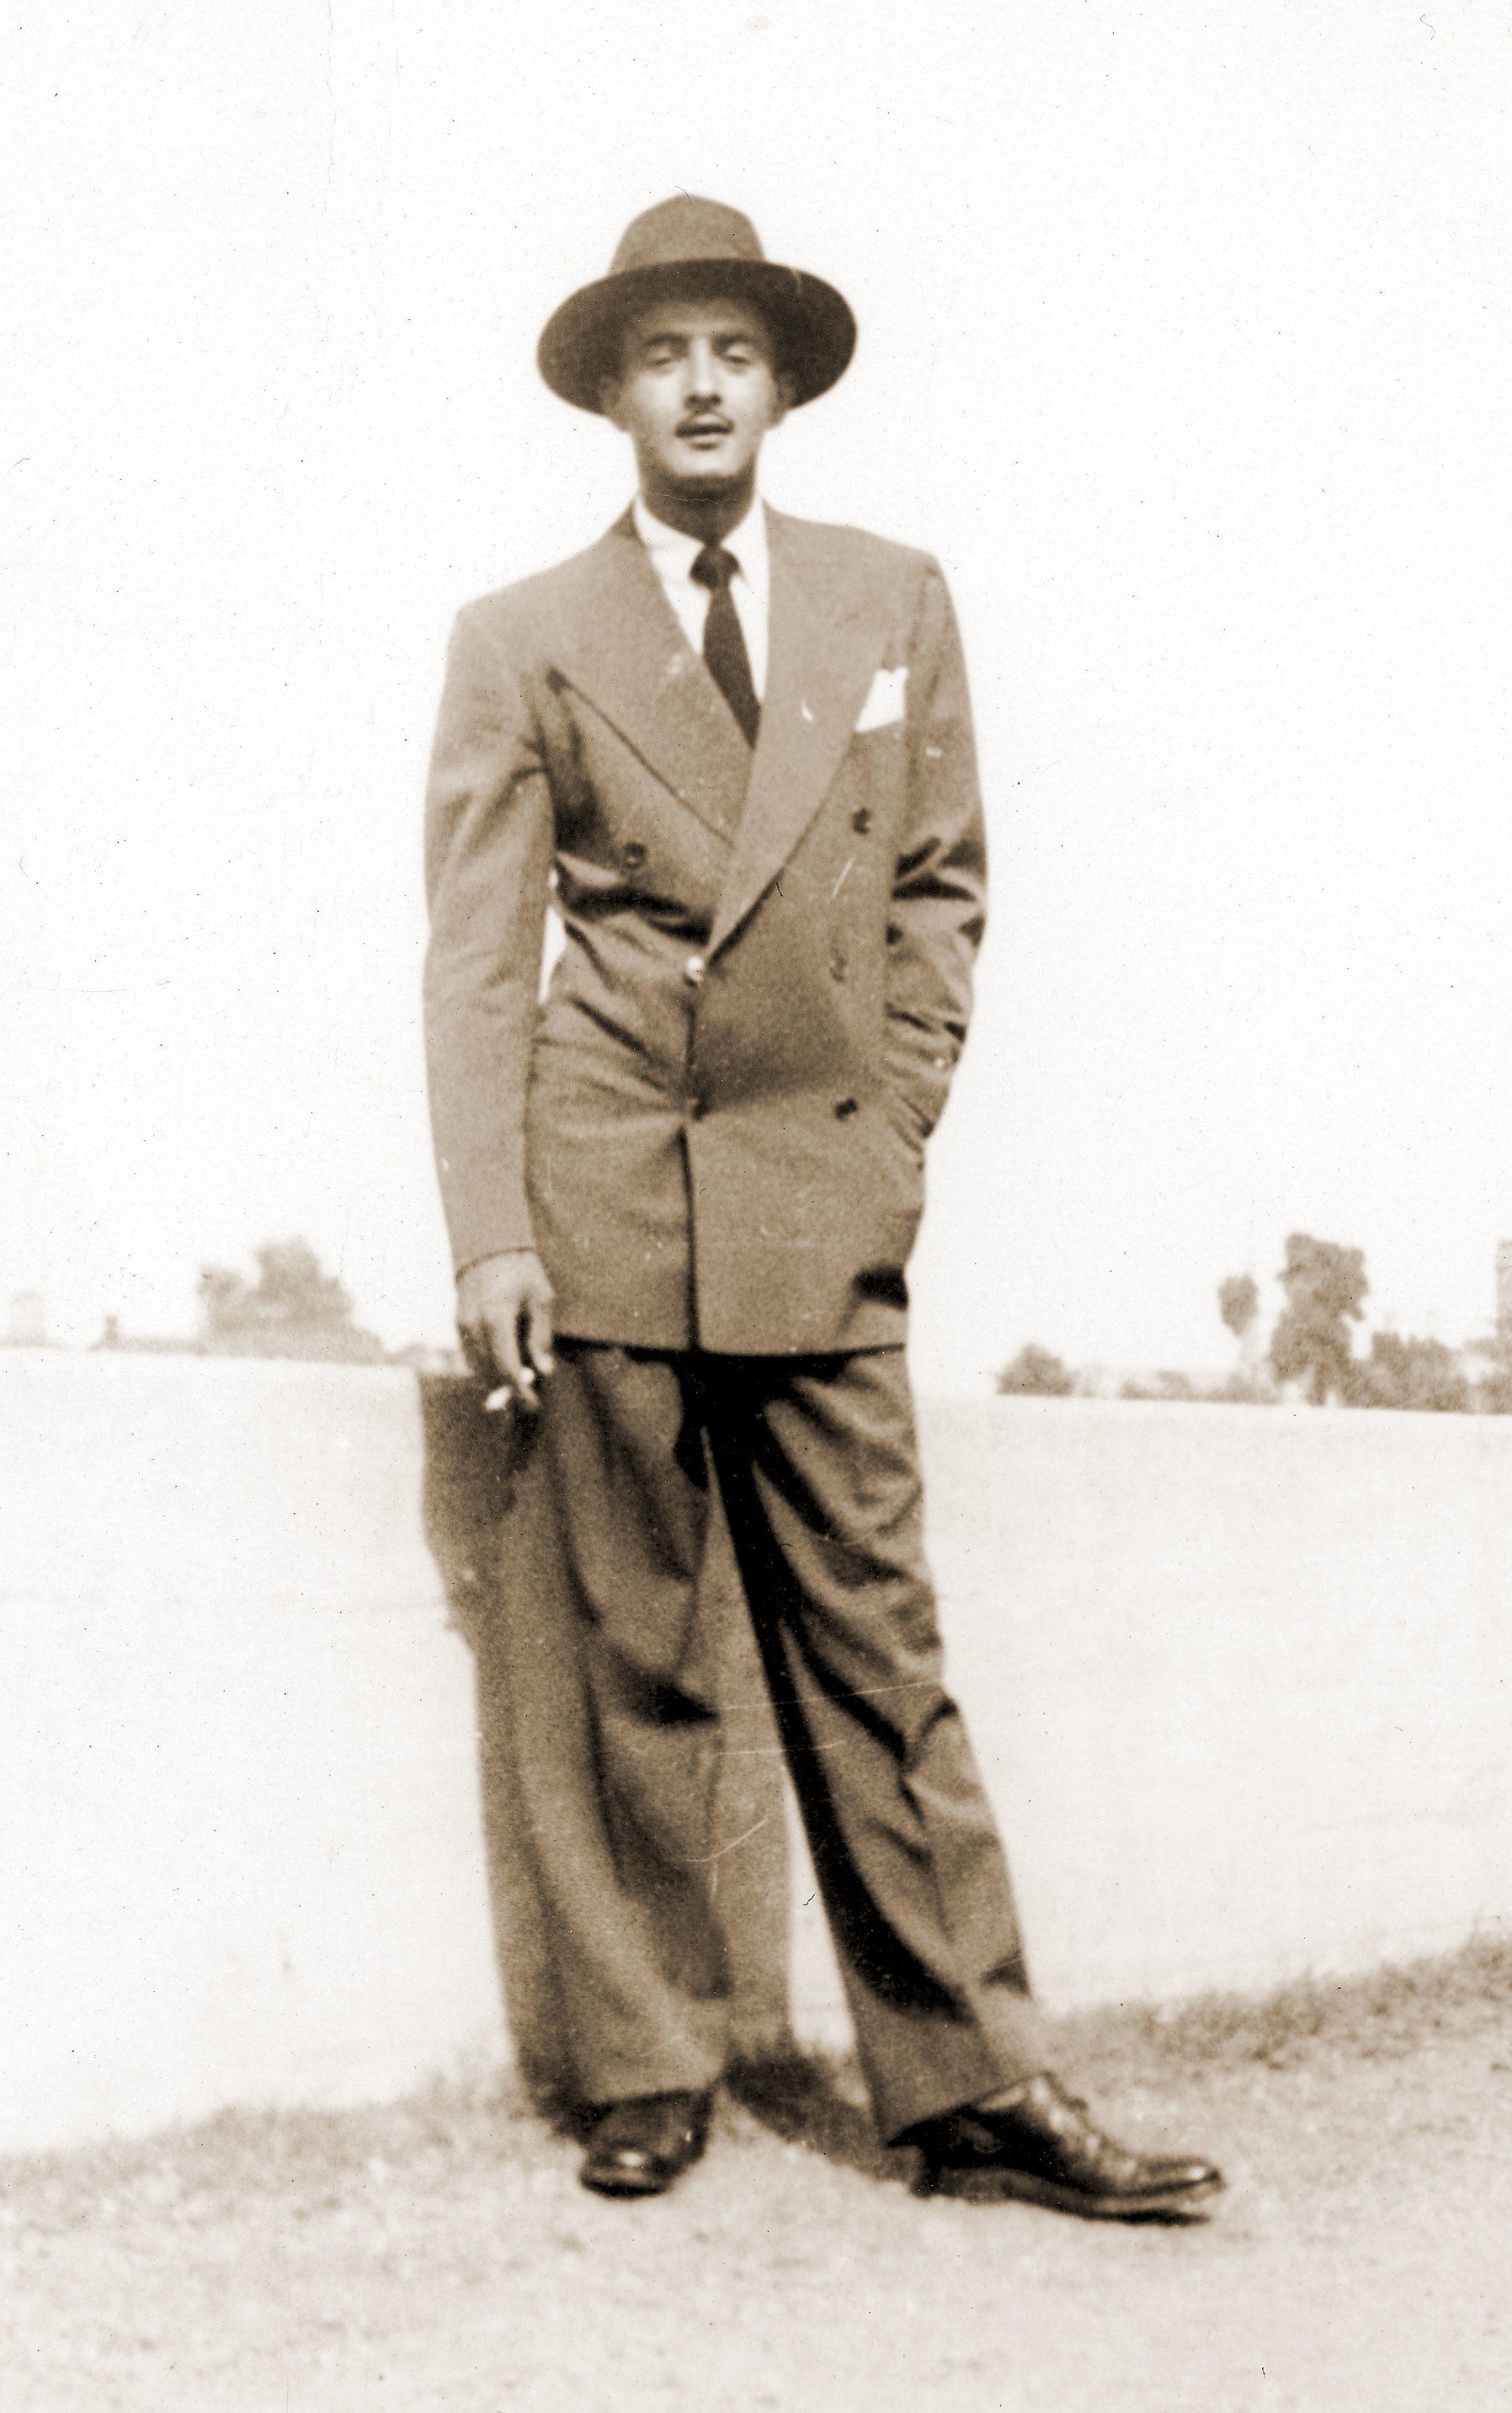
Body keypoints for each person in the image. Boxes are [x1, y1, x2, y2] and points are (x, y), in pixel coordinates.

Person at [423, 194, 1222, 2222]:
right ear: (614, 395)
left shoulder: (889, 596)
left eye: (734, 353)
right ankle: (647, 2064)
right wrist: (493, 1226)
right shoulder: (520, 633)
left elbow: (942, 883)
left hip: (818, 1199)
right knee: (627, 1658)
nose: (700, 388)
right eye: (662, 355)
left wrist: (894, 1128)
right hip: (609, 1185)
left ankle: (976, 2082)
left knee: (880, 1652)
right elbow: (478, 955)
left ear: (780, 388)